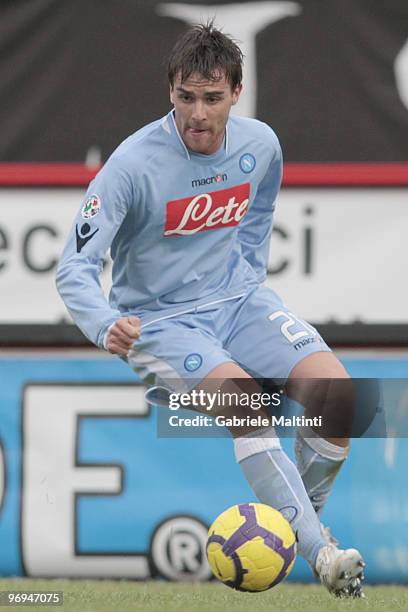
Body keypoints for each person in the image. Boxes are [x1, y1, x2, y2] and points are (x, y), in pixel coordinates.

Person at [56, 23, 365, 596]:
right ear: (171, 90)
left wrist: (246, 277)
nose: (197, 113)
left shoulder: (261, 144)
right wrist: (104, 324)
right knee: (247, 403)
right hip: (162, 324)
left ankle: (301, 522)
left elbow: (255, 220)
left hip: (240, 302)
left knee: (340, 397)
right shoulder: (130, 165)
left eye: (212, 98)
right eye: (185, 96)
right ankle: (322, 552)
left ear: (237, 93)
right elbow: (72, 267)